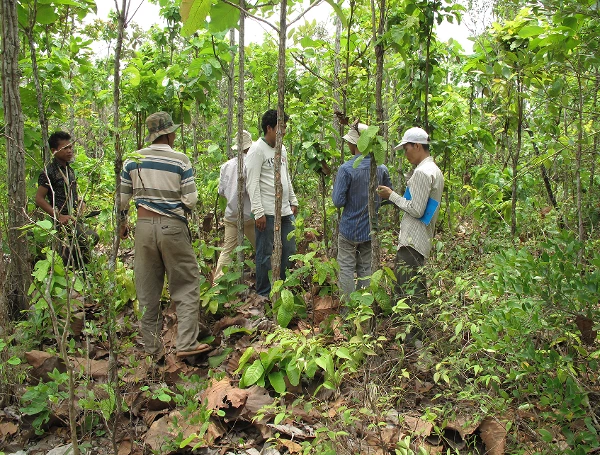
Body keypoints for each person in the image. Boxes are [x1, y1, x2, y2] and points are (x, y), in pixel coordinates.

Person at [118, 111, 209, 359]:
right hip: (173, 227)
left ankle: (153, 351)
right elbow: (190, 199)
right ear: (169, 134)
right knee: (187, 284)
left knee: (147, 290)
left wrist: (122, 223)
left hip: (144, 228)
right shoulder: (181, 160)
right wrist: (176, 210)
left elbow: (123, 200)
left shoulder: (132, 160)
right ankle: (186, 344)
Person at [377, 127, 444, 306]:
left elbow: (416, 210)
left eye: (406, 149)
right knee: (409, 289)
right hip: (419, 239)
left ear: (417, 146)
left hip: (413, 240)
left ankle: (414, 334)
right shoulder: (433, 169)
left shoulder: (423, 172)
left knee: (412, 294)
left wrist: (391, 195)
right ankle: (411, 331)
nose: (406, 155)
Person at [332, 123, 392, 302]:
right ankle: (363, 309)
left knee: (346, 269)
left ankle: (347, 311)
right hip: (370, 229)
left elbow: (337, 201)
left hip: (349, 228)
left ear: (356, 144)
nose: (348, 146)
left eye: (350, 142)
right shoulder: (381, 168)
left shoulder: (346, 169)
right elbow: (389, 195)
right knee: (366, 269)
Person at [245, 109, 298, 297]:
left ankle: (282, 289)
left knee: (289, 250)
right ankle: (263, 294)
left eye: (285, 127)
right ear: (269, 128)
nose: (284, 131)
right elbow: (251, 183)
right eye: (281, 127)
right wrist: (258, 212)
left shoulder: (281, 148)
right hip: (266, 212)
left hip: (284, 211)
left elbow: (286, 176)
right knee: (265, 254)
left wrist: (293, 199)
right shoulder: (256, 150)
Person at [35, 131, 98, 267]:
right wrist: (59, 216)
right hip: (62, 222)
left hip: (74, 218)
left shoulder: (69, 170)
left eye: (70, 147)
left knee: (92, 238)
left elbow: (70, 193)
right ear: (54, 151)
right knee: (82, 243)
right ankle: (74, 271)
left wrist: (80, 203)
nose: (70, 151)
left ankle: (76, 270)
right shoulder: (49, 172)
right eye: (65, 148)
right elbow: (39, 199)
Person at [213, 130, 256, 281]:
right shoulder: (251, 164)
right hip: (250, 216)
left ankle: (217, 287)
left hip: (231, 216)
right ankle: (271, 281)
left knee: (227, 251)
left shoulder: (226, 166)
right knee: (263, 250)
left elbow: (222, 192)